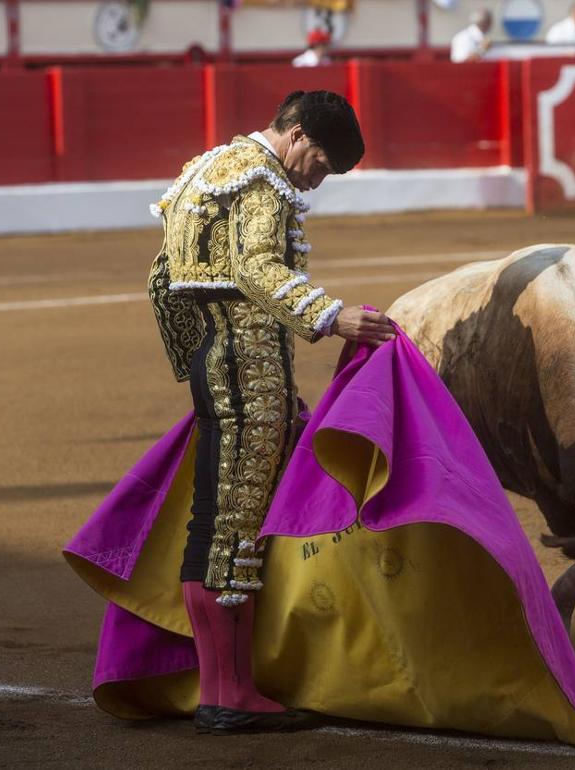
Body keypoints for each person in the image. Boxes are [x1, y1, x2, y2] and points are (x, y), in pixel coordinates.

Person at [147, 90, 395, 734]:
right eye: (319, 161)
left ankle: (225, 688)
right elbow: (255, 266)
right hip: (248, 364)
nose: (317, 178)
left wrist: (196, 359)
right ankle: (229, 695)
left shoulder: (206, 168)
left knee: (215, 521)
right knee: (235, 526)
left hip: (217, 357)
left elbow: (161, 277)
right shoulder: (262, 180)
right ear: (295, 133)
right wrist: (332, 317)